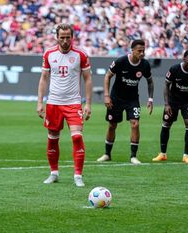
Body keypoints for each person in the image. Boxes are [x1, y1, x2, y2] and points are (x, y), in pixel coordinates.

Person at [36, 23, 92, 187]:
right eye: (62, 37)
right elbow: (43, 79)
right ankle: (54, 173)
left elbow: (87, 79)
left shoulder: (81, 54)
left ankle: (78, 175)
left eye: (68, 37)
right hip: (53, 103)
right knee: (53, 139)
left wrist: (88, 104)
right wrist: (40, 102)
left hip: (73, 103)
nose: (66, 41)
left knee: (77, 137)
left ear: (72, 37)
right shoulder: (49, 54)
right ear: (57, 37)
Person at [96, 39, 154, 165]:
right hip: (116, 98)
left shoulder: (145, 64)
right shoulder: (121, 61)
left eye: (143, 51)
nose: (142, 53)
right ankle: (107, 154)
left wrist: (150, 99)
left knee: (135, 124)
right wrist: (106, 96)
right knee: (112, 125)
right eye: (139, 51)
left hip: (132, 99)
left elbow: (150, 81)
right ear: (132, 50)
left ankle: (133, 156)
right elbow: (107, 76)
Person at [152, 49, 188, 164]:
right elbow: (166, 85)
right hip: (173, 101)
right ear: (184, 59)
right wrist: (166, 104)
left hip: (187, 101)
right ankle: (162, 154)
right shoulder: (174, 69)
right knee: (166, 124)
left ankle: (186, 156)